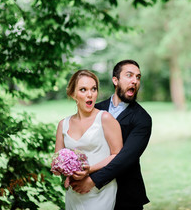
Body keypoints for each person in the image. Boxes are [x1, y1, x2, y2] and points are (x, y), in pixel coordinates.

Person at [70, 60, 152, 210]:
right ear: (115, 80)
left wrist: (92, 180)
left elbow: (125, 158)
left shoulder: (142, 119)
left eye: (138, 77)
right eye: (129, 75)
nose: (135, 81)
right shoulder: (96, 109)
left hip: (126, 195)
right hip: (92, 196)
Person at [54, 70, 123, 210]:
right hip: (75, 191)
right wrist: (64, 172)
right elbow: (57, 161)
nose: (90, 94)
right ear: (73, 94)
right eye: (83, 90)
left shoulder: (105, 119)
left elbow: (118, 155)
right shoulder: (63, 124)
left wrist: (89, 170)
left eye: (93, 89)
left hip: (101, 190)